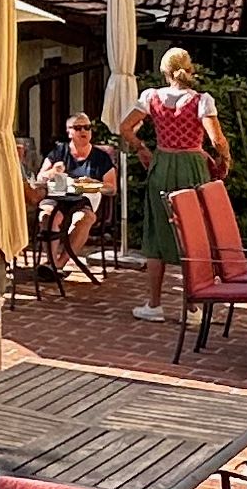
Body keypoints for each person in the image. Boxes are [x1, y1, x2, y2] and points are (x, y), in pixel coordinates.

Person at [117, 48, 235, 319]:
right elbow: (217, 140)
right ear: (189, 69)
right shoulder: (202, 101)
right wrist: (225, 159)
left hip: (161, 164)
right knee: (194, 234)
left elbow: (125, 128)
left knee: (156, 232)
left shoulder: (151, 97)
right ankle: (191, 307)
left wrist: (141, 148)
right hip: (192, 167)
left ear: (165, 72)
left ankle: (154, 304)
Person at [35, 110, 124, 271]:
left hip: (84, 202)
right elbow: (40, 178)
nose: (83, 131)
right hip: (57, 197)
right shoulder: (59, 152)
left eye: (87, 127)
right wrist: (53, 171)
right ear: (69, 132)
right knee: (47, 216)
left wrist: (94, 184)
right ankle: (51, 262)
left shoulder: (101, 157)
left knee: (84, 218)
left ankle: (58, 264)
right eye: (78, 128)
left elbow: (112, 188)